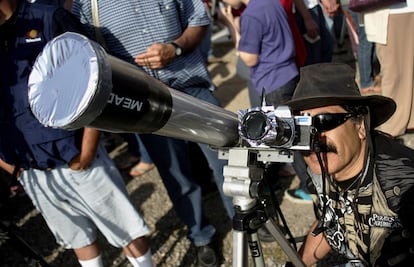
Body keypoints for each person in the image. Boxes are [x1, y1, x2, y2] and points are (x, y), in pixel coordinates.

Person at [71, 1, 235, 266]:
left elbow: (198, 19)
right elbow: (90, 58)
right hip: (144, 104)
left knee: (228, 160)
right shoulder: (86, 5)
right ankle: (201, 236)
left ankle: (244, 221)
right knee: (176, 175)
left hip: (190, 86)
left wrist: (176, 47)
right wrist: (134, 80)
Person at [0, 1, 153, 267]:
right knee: (76, 238)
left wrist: (88, 148)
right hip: (29, 170)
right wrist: (6, 164)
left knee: (126, 230)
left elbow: (97, 76)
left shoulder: (47, 17)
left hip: (77, 158)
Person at [284, 63, 414, 266]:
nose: (312, 138)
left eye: (323, 121)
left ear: (360, 125)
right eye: (301, 127)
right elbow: (329, 220)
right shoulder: (323, 167)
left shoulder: (404, 184)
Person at [363, 0, 414, 142]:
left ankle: (408, 121)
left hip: (406, 9)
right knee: (392, 71)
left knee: (407, 69)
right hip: (389, 11)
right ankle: (392, 123)